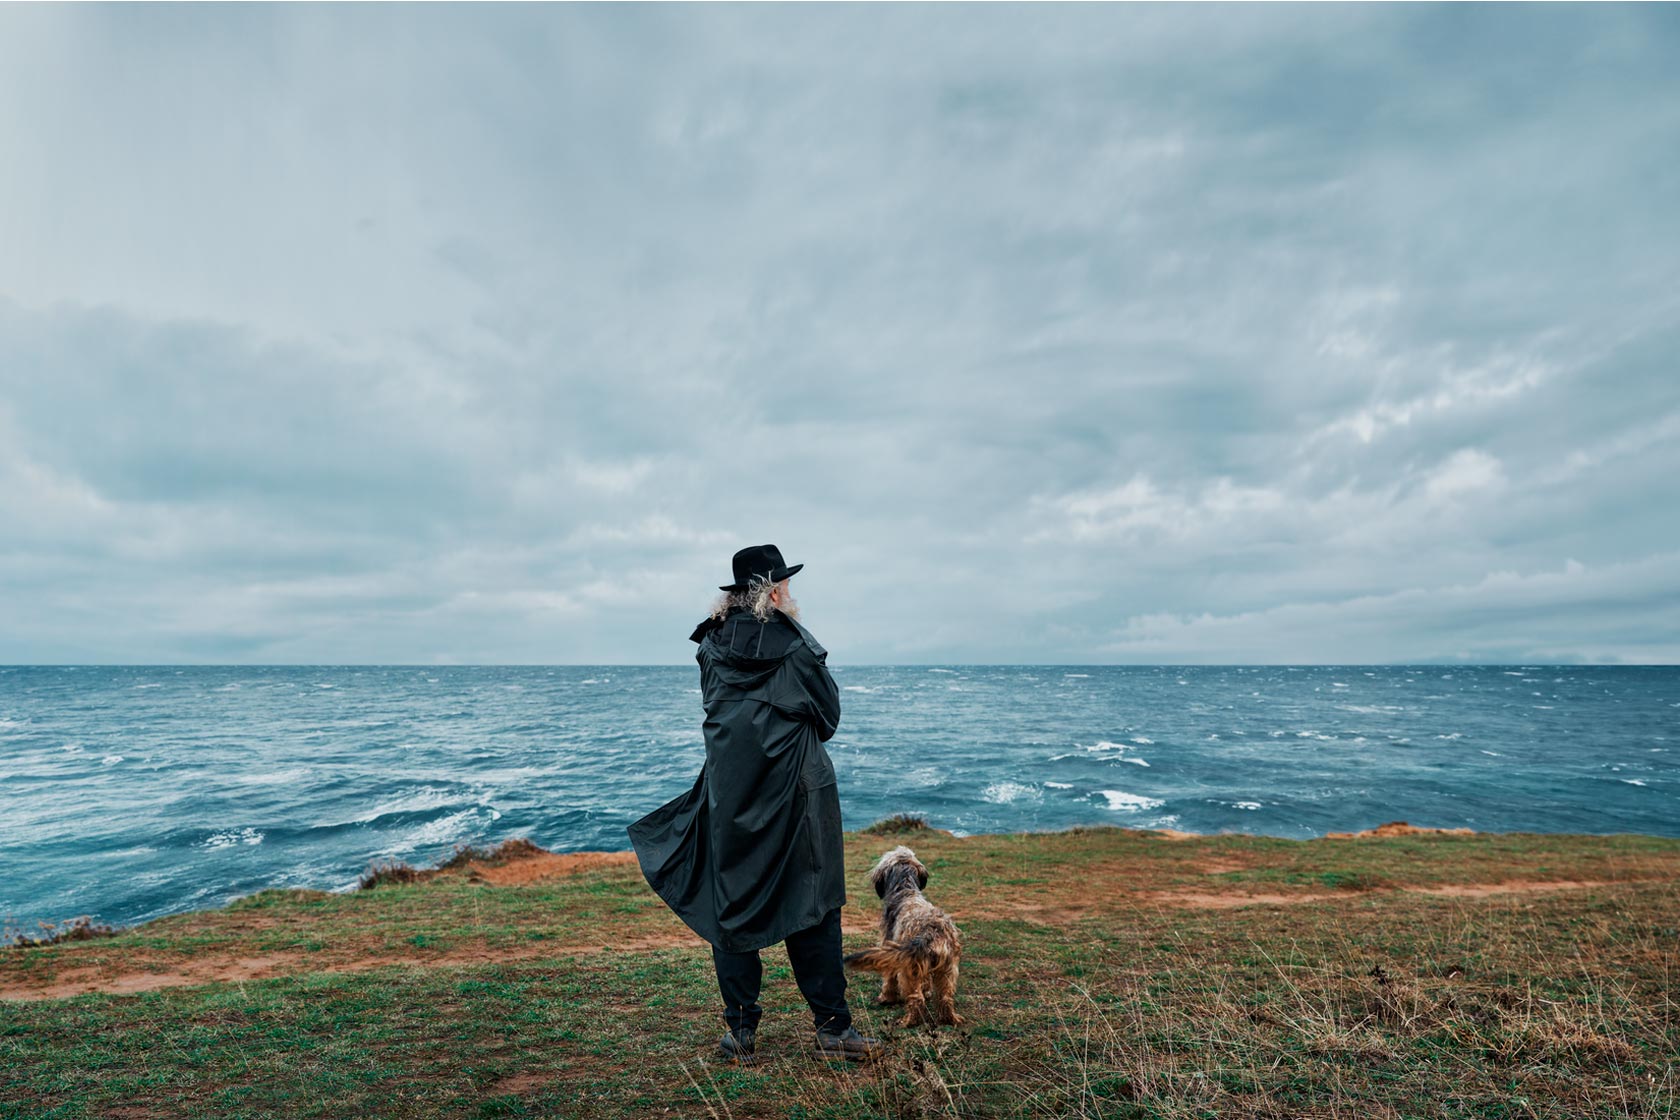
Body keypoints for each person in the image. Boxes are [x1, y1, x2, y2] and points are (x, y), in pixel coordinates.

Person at [628, 544, 882, 1064]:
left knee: (733, 905)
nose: (791, 592)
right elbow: (828, 717)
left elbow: (718, 709)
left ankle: (739, 1034)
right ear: (773, 590)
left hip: (730, 794)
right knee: (813, 905)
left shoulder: (711, 645)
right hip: (797, 795)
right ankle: (834, 1031)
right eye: (786, 583)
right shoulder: (795, 646)